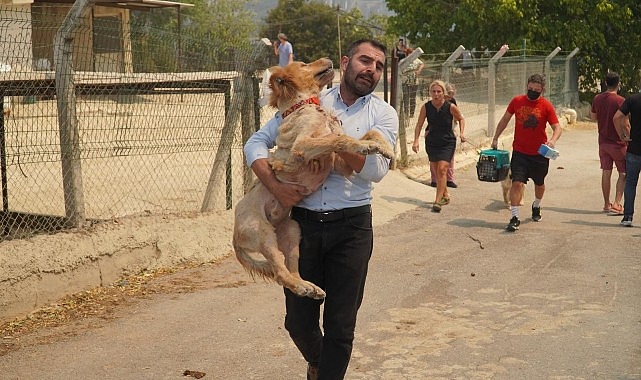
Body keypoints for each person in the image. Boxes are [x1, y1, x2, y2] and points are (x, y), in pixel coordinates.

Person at [244, 39, 398, 379]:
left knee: (341, 327)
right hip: (302, 225)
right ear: (346, 63)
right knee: (297, 323)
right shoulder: (310, 100)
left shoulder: (383, 114)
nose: (371, 69)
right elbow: (255, 142)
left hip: (352, 227)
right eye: (364, 60)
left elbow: (375, 171)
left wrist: (334, 139)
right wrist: (276, 188)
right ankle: (319, 362)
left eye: (378, 65)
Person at [491, 73, 562, 232]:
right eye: (530, 89)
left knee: (540, 184)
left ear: (542, 90)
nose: (533, 92)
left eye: (536, 90)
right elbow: (504, 120)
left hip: (539, 154)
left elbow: (557, 127)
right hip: (520, 152)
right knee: (517, 183)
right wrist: (496, 137)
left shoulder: (546, 106)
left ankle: (536, 205)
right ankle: (515, 217)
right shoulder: (517, 101)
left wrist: (553, 140)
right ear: (526, 87)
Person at [412, 80, 466, 212]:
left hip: (447, 141)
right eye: (433, 91)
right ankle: (445, 193)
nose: (436, 94)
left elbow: (461, 118)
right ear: (430, 93)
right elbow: (419, 124)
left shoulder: (450, 106)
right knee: (437, 170)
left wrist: (462, 133)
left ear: (443, 93)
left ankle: (437, 200)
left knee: (442, 169)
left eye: (439, 91)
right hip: (432, 141)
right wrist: (416, 140)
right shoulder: (426, 107)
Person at [590, 72, 626, 214]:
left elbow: (593, 117)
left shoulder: (597, 98)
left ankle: (606, 204)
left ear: (605, 82)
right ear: (619, 83)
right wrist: (626, 137)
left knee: (606, 171)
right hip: (618, 142)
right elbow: (625, 122)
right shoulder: (620, 100)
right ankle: (617, 203)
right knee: (623, 173)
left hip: (603, 141)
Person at [613, 85, 641, 227]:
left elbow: (617, 117)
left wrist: (622, 136)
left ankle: (628, 217)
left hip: (634, 148)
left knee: (630, 183)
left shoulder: (633, 99)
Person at [429, 82, 459, 188]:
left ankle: (449, 179)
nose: (450, 95)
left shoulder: (452, 103)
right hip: (434, 133)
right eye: (449, 92)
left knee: (449, 158)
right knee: (434, 159)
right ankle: (434, 180)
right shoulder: (433, 103)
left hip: (449, 132)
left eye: (452, 92)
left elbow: (458, 117)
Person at [400, 47, 424, 117]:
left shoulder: (416, 60)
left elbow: (422, 64)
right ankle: (406, 113)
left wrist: (419, 70)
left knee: (413, 98)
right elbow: (399, 69)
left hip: (414, 81)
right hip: (405, 81)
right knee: (406, 97)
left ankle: (411, 113)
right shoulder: (403, 61)